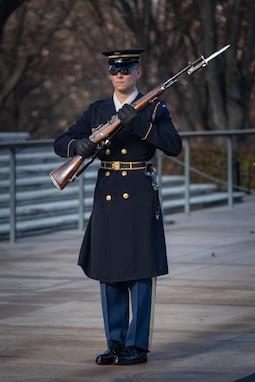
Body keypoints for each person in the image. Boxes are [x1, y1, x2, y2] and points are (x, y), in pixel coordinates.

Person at [54, 48, 182, 365]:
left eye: (126, 68)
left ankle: (136, 347)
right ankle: (115, 343)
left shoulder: (154, 109)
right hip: (108, 193)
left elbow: (174, 146)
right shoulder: (97, 110)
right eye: (114, 69)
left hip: (138, 193)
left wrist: (139, 124)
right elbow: (61, 142)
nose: (119, 74)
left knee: (139, 272)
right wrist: (78, 145)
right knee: (109, 270)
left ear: (138, 72)